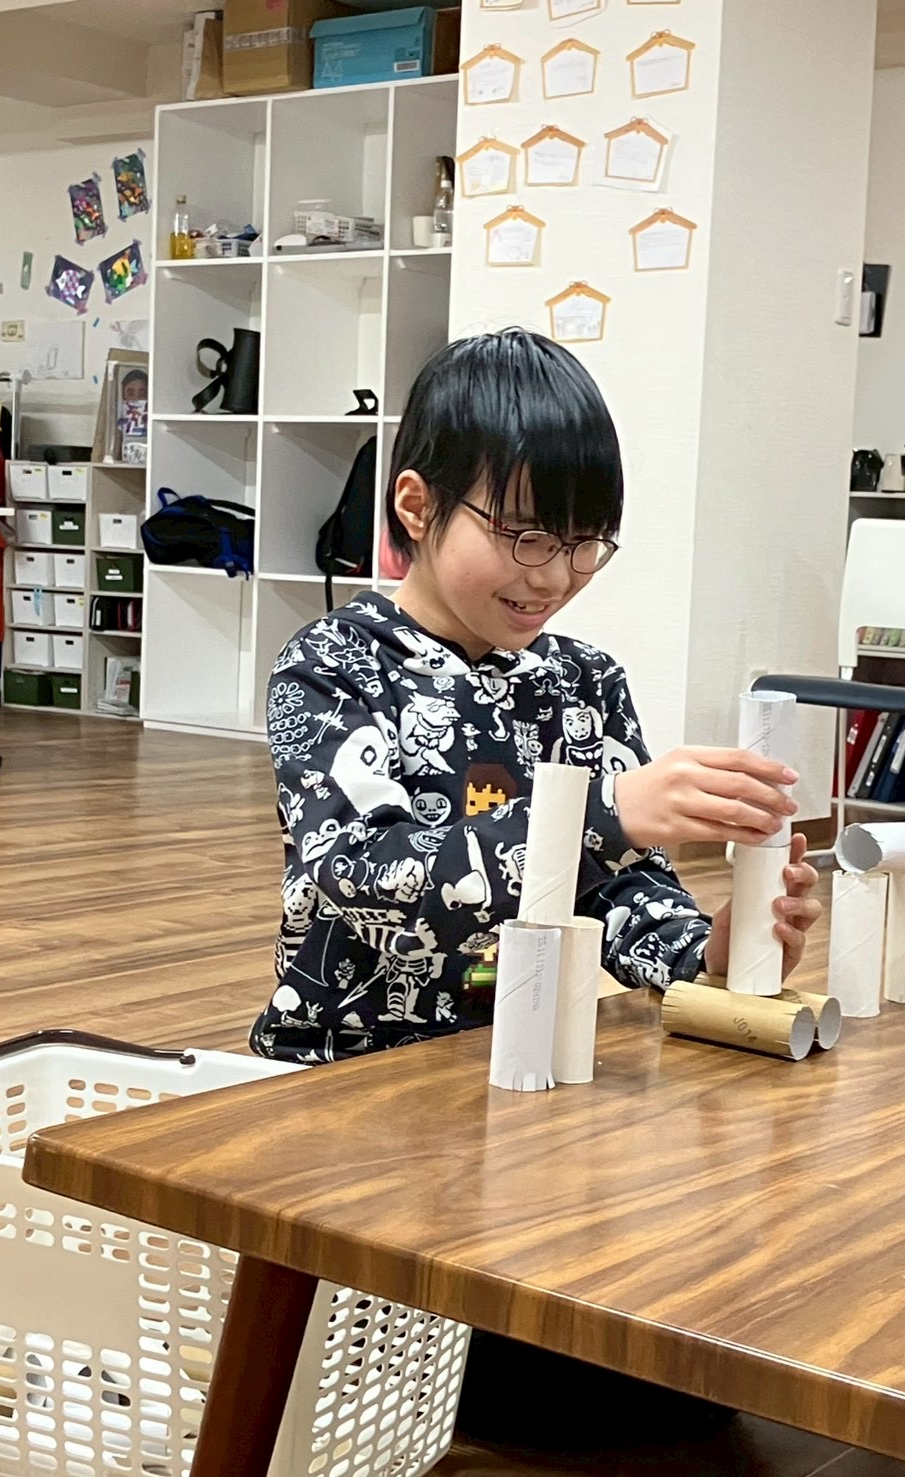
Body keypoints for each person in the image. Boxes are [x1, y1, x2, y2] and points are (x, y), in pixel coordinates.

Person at [251, 328, 819, 1065]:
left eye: (584, 543)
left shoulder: (585, 681)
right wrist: (605, 813)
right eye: (524, 535)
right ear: (417, 507)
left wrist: (706, 950)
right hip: (342, 1062)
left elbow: (617, 890)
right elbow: (359, 871)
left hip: (525, 1054)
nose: (553, 576)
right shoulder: (332, 665)